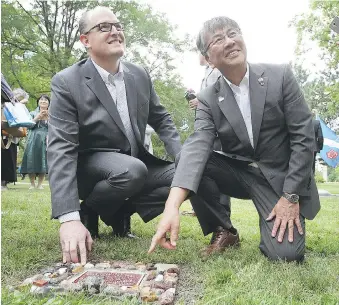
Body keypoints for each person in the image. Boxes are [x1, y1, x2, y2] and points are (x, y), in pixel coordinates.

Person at [149, 16, 320, 262]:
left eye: (233, 33)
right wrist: (172, 206)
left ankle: (273, 225)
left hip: (281, 181)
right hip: (241, 173)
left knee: (286, 256)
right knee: (188, 157)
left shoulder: (280, 76)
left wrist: (291, 197)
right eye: (218, 39)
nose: (229, 42)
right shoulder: (208, 97)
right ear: (208, 59)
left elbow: (304, 138)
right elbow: (198, 146)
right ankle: (224, 230)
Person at [48, 6, 182, 265]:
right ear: (85, 40)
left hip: (135, 165)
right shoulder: (66, 82)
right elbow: (60, 148)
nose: (115, 31)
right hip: (92, 169)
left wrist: (184, 158)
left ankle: (113, 210)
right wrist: (68, 217)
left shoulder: (139, 74)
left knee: (187, 174)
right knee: (131, 170)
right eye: (104, 27)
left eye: (118, 26)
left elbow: (162, 119)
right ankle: (86, 210)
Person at [187, 53, 232, 229]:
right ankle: (218, 222)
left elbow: (221, 96)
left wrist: (201, 100)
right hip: (207, 130)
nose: (197, 56)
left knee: (218, 175)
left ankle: (224, 225)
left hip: (217, 132)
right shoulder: (207, 72)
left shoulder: (217, 71)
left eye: (198, 52)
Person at [1, 75, 26, 190]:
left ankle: (4, 182)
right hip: (5, 133)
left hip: (11, 135)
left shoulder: (19, 108)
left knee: (8, 158)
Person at [20, 95, 49, 189]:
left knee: (43, 160)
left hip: (46, 139)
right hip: (33, 138)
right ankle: (32, 184)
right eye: (41, 99)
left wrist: (49, 118)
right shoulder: (32, 113)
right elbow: (28, 125)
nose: (43, 101)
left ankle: (40, 184)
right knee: (31, 159)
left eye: (46, 100)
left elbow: (55, 127)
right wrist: (37, 117)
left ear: (49, 103)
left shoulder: (52, 113)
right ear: (38, 102)